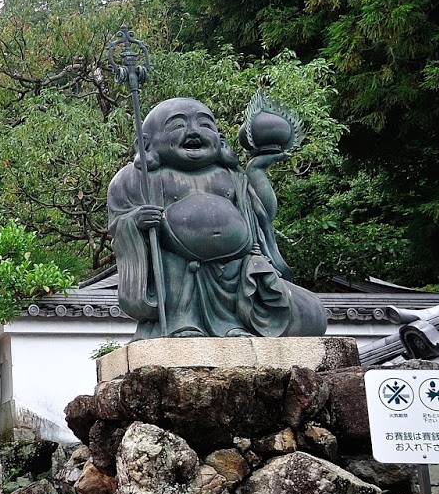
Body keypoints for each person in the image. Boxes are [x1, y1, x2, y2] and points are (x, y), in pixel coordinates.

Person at [108, 97, 326, 340]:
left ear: (220, 139)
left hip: (235, 266)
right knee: (173, 262)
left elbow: (261, 215)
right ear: (146, 143)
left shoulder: (232, 174)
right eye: (178, 126)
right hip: (177, 265)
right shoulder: (136, 178)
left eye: (205, 125)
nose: (193, 132)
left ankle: (236, 322)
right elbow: (119, 223)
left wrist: (256, 171)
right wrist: (136, 221)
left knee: (312, 317)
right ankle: (183, 323)